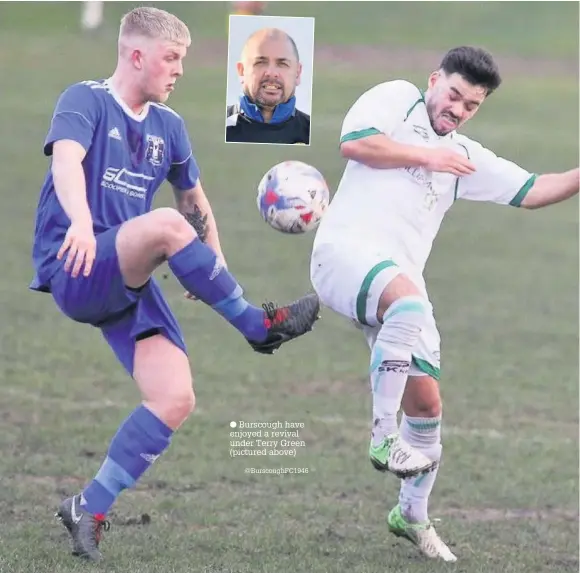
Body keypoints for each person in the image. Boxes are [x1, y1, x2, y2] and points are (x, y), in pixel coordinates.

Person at [30, 6, 320, 561]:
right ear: (136, 56)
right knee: (165, 224)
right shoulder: (84, 100)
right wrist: (85, 226)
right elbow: (67, 164)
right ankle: (258, 326)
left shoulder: (170, 126)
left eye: (182, 59)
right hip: (76, 263)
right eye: (172, 58)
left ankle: (87, 508)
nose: (180, 70)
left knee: (174, 399)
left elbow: (195, 201)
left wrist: (211, 265)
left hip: (125, 280)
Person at [310, 46, 579, 562]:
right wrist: (431, 156)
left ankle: (410, 516)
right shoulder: (397, 100)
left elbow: (533, 189)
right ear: (435, 80)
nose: (457, 109)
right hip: (342, 256)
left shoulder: (465, 156)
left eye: (471, 105)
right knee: (408, 307)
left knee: (428, 409)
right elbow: (356, 143)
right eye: (454, 94)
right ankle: (382, 436)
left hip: (401, 281)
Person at [226, 27, 310, 144]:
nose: (271, 73)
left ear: (298, 73)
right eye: (260, 63)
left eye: (282, 64)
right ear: (241, 71)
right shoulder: (222, 126)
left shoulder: (309, 132)